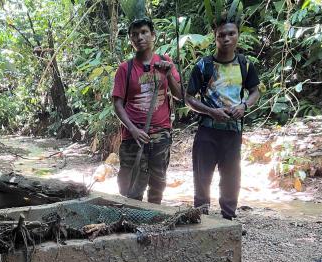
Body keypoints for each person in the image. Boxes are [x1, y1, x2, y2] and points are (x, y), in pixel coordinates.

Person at [185, 14, 261, 220]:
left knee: (231, 178)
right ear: (215, 37)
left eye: (231, 34)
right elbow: (188, 98)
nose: (226, 38)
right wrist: (211, 111)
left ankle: (229, 218)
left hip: (233, 131)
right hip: (207, 131)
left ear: (238, 35)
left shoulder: (245, 65)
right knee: (202, 177)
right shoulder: (204, 66)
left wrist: (244, 105)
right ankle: (201, 218)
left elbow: (255, 91)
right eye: (221, 35)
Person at [112, 18, 182, 204]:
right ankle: (131, 223)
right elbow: (118, 104)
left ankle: (153, 224)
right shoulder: (124, 69)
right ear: (130, 39)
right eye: (134, 35)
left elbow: (180, 95)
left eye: (143, 32)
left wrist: (168, 74)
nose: (139, 37)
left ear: (153, 35)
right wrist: (133, 129)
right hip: (132, 136)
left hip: (160, 135)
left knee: (158, 184)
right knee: (131, 188)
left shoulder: (166, 62)